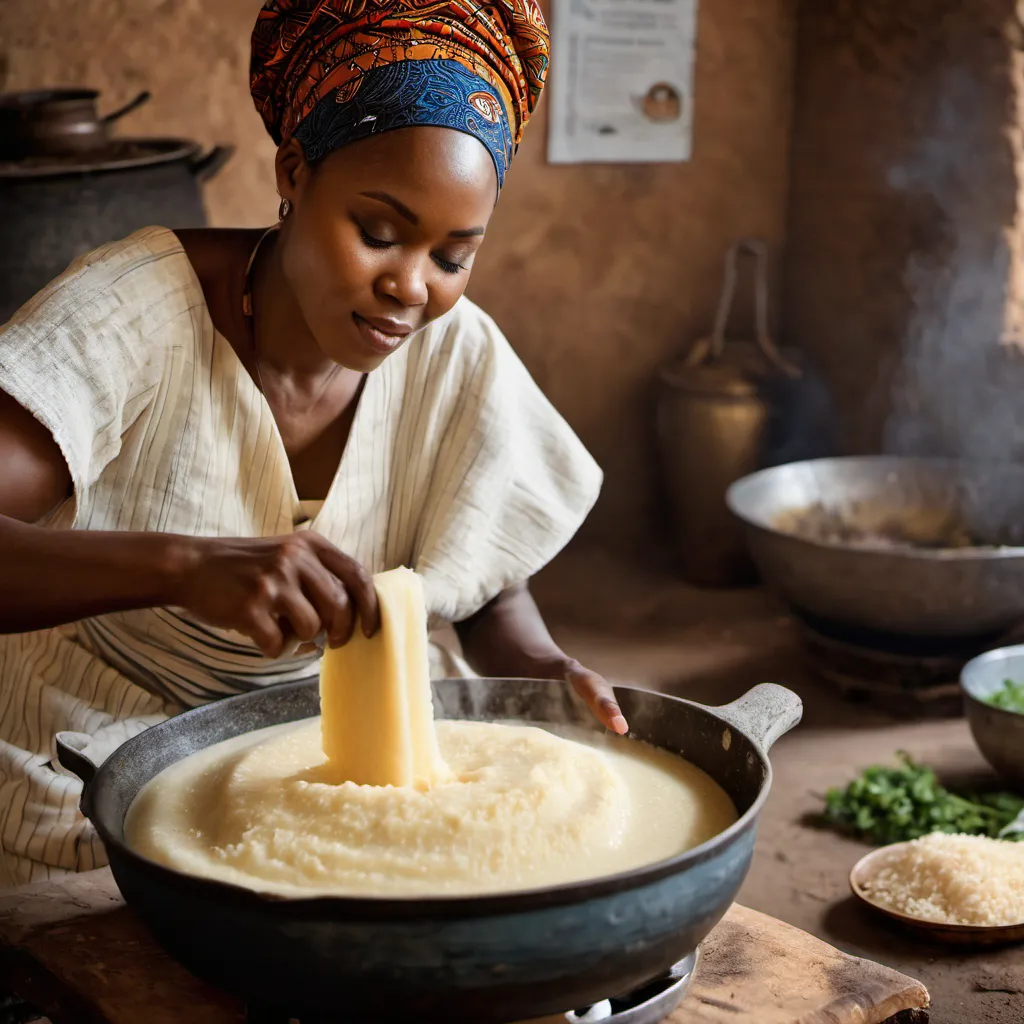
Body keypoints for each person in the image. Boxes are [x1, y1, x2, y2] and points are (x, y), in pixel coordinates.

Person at [0, 0, 628, 888]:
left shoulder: (453, 351)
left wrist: (541, 668)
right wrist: (181, 565)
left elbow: (481, 575)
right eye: (378, 232)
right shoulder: (136, 313)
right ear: (294, 171)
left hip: (346, 751)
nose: (410, 286)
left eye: (453, 256)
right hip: (90, 751)